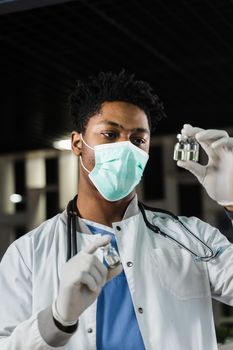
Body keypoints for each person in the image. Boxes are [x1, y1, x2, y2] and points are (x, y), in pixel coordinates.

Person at [0, 70, 233, 350]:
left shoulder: (192, 238)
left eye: (137, 140)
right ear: (77, 143)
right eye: (110, 135)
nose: (125, 149)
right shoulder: (29, 253)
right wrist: (58, 319)